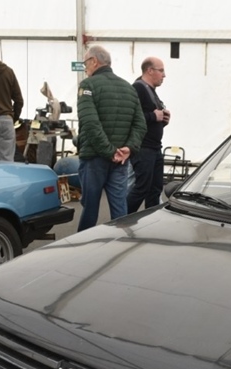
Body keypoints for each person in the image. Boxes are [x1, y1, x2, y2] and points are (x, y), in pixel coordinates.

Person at [75, 45, 146, 232]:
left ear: (94, 61)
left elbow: (90, 123)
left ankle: (82, 244)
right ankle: (120, 242)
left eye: (85, 63)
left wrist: (109, 151)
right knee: (119, 207)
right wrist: (128, 149)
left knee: (90, 208)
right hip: (121, 159)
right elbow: (140, 125)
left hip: (95, 158)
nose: (85, 67)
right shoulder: (129, 88)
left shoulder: (87, 85)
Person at [126, 56, 170, 215]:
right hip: (144, 148)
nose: (164, 75)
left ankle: (151, 220)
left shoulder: (151, 91)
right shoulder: (138, 88)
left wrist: (163, 120)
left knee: (155, 189)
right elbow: (130, 117)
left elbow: (150, 118)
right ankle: (121, 220)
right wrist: (153, 116)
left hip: (155, 148)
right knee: (142, 187)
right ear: (150, 70)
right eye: (161, 70)